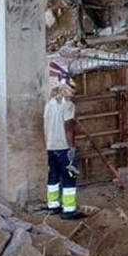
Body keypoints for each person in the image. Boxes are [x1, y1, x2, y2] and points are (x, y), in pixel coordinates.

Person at [43, 81, 79, 219]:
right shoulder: (68, 106)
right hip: (63, 148)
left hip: (51, 147)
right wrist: (71, 147)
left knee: (53, 176)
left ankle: (53, 205)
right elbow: (69, 128)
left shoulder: (49, 104)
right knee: (69, 177)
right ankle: (69, 209)